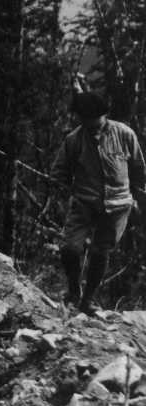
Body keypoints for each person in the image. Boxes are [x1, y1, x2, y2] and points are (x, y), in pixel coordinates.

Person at [50, 91, 146, 315]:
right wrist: (62, 188)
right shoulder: (74, 140)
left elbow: (139, 170)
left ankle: (88, 300)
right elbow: (59, 172)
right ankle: (73, 291)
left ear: (104, 115)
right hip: (84, 204)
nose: (90, 125)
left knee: (100, 252)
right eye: (85, 120)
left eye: (95, 120)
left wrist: (137, 198)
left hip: (117, 206)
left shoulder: (125, 134)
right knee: (70, 249)